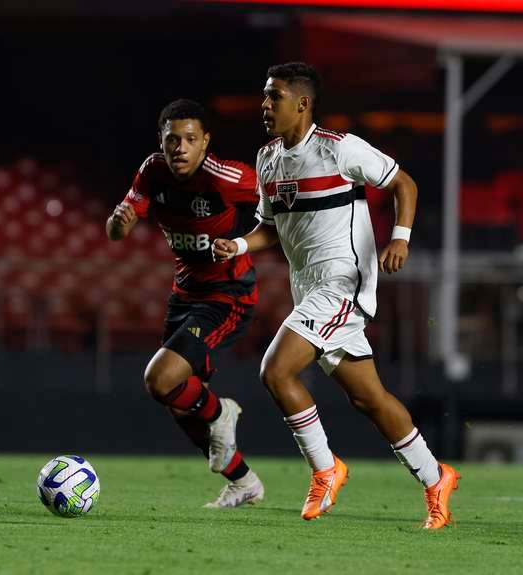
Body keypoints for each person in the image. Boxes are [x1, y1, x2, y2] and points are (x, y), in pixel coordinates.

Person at [213, 62, 459, 528]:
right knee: (369, 399)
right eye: (265, 96)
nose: (265, 105)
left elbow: (403, 183)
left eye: (275, 96)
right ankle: (436, 477)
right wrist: (239, 245)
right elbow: (270, 226)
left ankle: (325, 469)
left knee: (275, 371)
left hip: (343, 283)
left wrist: (400, 238)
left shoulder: (338, 148)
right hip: (309, 288)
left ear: (302, 103)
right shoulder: (267, 158)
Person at [107, 98, 265, 507]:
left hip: (228, 294)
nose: (180, 148)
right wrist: (118, 222)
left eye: (190, 139)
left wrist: (244, 242)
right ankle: (243, 482)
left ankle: (222, 413)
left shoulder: (228, 177)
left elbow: (281, 208)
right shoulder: (152, 170)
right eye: (172, 140)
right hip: (184, 296)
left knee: (159, 380)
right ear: (161, 141)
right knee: (180, 404)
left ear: (205, 142)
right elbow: (116, 231)